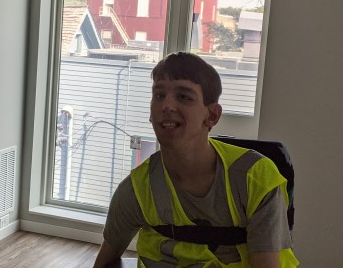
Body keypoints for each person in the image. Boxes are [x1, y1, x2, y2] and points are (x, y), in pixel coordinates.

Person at [92, 52, 299, 267]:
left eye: (184, 97)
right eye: (159, 95)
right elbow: (106, 259)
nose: (167, 106)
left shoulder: (255, 179)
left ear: (212, 116)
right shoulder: (137, 189)